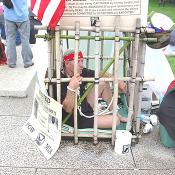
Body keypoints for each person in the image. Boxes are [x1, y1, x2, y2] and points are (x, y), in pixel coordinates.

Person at [57, 49, 127, 129]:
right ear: (67, 63)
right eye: (78, 62)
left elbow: (100, 74)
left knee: (103, 83)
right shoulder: (59, 79)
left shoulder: (80, 71)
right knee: (115, 121)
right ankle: (110, 117)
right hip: (75, 119)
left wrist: (118, 80)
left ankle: (116, 113)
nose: (81, 65)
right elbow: (67, 109)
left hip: (84, 107)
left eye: (82, 61)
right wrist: (71, 88)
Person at [3, 0, 33, 68]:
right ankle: (27, 61)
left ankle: (11, 62)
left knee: (10, 39)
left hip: (9, 16)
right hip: (23, 16)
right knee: (25, 39)